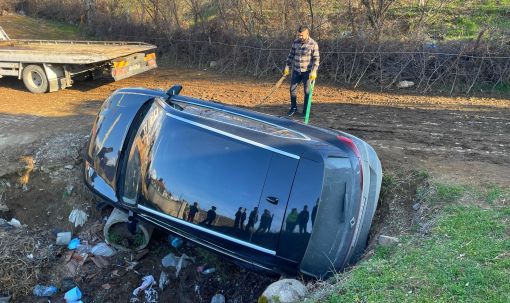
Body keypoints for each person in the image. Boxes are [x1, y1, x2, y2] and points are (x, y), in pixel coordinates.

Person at [283, 25, 320, 117]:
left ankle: (305, 111)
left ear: (307, 34)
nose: (300, 37)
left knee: (307, 91)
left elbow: (316, 59)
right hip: (296, 70)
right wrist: (287, 66)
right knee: (292, 89)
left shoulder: (313, 44)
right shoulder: (295, 42)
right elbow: (291, 55)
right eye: (299, 35)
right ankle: (293, 108)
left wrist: (314, 71)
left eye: (302, 35)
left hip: (307, 71)